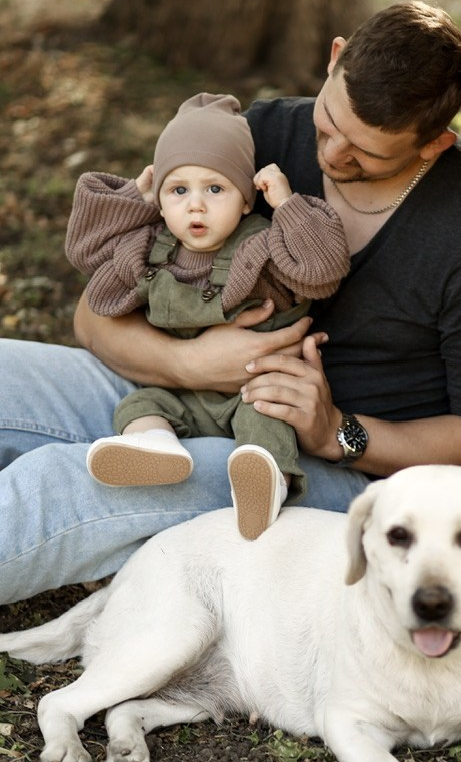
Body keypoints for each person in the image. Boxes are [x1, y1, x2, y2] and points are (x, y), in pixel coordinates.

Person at [0, 1, 461, 603]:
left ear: (432, 145)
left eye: (366, 153)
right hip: (170, 395)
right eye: (329, 125)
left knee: (67, 484)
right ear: (333, 60)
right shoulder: (263, 133)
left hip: (316, 470)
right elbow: (94, 316)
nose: (330, 156)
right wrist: (188, 364)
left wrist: (337, 432)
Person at [66, 92, 350, 540]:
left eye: (215, 189)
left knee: (267, 418)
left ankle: (265, 479)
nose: (195, 205)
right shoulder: (150, 247)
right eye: (179, 191)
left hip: (253, 391)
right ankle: (153, 447)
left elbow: (323, 272)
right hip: (182, 393)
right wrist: (132, 199)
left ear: (243, 201)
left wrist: (287, 205)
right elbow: (86, 253)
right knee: (140, 404)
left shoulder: (262, 247)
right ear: (160, 202)